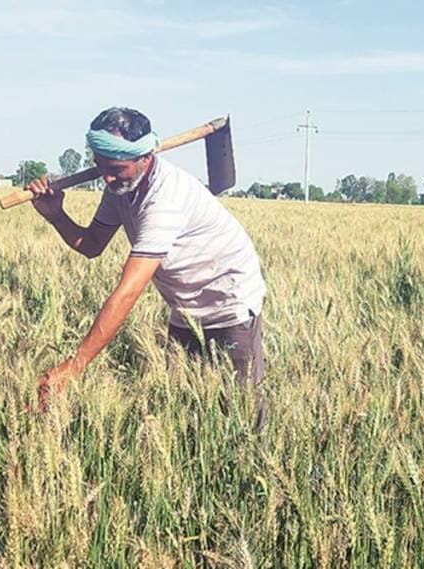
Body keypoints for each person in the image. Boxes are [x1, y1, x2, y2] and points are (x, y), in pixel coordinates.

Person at [26, 107, 268, 427]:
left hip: (228, 303)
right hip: (185, 307)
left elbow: (128, 291)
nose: (107, 178)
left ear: (145, 157)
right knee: (182, 411)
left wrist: (75, 366)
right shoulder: (121, 188)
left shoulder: (163, 200)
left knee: (241, 415)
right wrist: (56, 215)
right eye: (100, 166)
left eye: (116, 168)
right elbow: (93, 244)